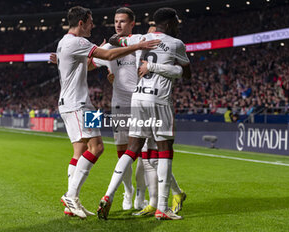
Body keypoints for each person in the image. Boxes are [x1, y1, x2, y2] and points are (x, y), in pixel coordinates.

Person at [57, 6, 160, 219]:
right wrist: (136, 46)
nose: (94, 25)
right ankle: (71, 195)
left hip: (87, 104)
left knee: (82, 150)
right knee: (99, 148)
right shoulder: (77, 42)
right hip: (77, 105)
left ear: (132, 23)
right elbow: (106, 55)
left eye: (122, 21)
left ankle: (72, 202)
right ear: (81, 23)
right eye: (91, 22)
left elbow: (85, 63)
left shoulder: (68, 43)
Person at [97, 7, 191, 220]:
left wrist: (140, 49)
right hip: (158, 100)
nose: (178, 25)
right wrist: (157, 67)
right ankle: (162, 207)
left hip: (137, 98)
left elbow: (114, 39)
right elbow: (186, 74)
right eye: (176, 22)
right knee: (164, 150)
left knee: (133, 150)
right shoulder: (177, 44)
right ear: (168, 23)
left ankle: (109, 195)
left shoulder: (140, 38)